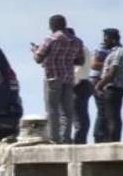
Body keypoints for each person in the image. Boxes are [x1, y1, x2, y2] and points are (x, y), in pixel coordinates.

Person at [31, 14, 85, 143]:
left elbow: (38, 59)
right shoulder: (77, 41)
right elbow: (80, 61)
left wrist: (34, 50)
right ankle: (65, 138)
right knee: (67, 111)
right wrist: (67, 60)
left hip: (52, 77)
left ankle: (54, 138)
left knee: (52, 109)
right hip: (68, 78)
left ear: (53, 25)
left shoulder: (51, 39)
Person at [94, 28, 123, 143]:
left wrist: (99, 85)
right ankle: (111, 140)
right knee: (110, 117)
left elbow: (112, 73)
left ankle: (113, 141)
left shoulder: (119, 52)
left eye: (106, 39)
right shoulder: (115, 52)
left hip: (113, 88)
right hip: (113, 88)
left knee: (112, 117)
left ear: (113, 39)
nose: (104, 41)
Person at [67, 28, 95, 145]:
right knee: (81, 115)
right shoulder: (82, 47)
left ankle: (79, 141)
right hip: (84, 82)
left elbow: (78, 69)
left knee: (79, 117)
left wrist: (71, 82)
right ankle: (79, 140)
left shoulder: (78, 48)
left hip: (78, 84)